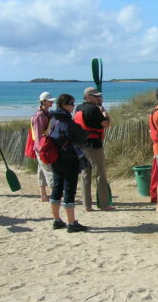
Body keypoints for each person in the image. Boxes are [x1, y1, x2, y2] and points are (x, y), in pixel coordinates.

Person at [49, 94, 89, 232]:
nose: (73, 106)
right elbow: (82, 137)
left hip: (55, 159)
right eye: (71, 103)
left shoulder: (53, 120)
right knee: (69, 190)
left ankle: (56, 220)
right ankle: (71, 223)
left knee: (56, 188)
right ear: (64, 105)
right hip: (69, 159)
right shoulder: (67, 122)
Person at [75, 87, 113, 211]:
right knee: (100, 174)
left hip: (82, 145)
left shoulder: (78, 108)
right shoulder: (94, 109)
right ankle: (104, 204)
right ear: (88, 97)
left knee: (85, 174)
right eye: (96, 96)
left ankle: (86, 205)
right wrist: (104, 113)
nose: (98, 98)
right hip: (94, 145)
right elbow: (106, 124)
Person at [31, 92, 56, 202]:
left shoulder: (46, 113)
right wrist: (42, 149)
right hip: (42, 147)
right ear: (44, 101)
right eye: (49, 100)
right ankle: (54, 194)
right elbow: (38, 134)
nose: (52, 102)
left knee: (41, 170)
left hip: (42, 146)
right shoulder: (39, 116)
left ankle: (43, 195)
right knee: (49, 170)